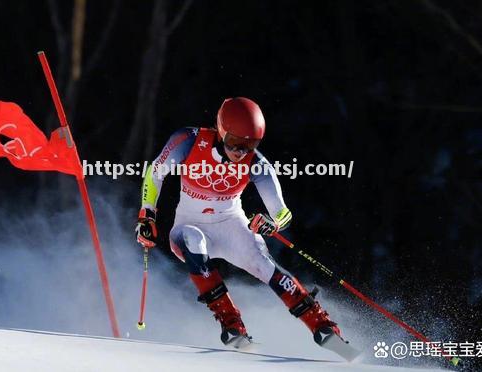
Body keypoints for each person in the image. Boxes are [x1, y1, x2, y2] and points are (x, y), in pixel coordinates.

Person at [135, 97, 341, 348]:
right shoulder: (189, 140)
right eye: (234, 143)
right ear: (221, 131)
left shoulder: (257, 163)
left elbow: (282, 213)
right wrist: (148, 214)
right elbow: (155, 173)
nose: (240, 152)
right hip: (189, 225)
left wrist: (271, 224)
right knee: (193, 240)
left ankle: (321, 323)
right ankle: (232, 323)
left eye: (250, 145)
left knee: (263, 264)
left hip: (231, 225)